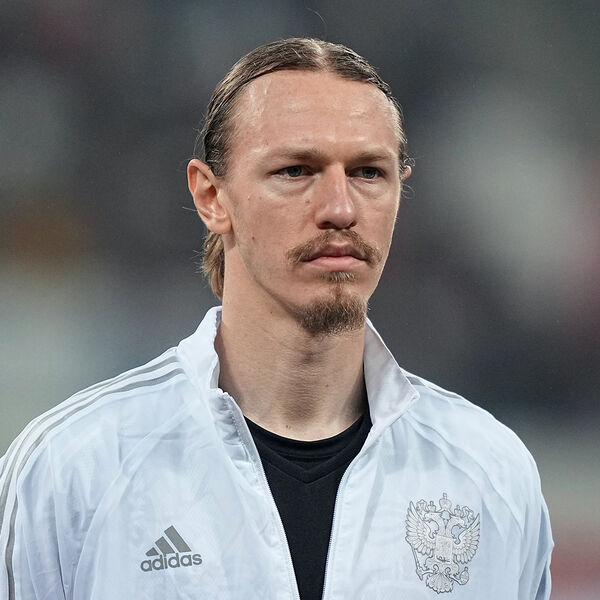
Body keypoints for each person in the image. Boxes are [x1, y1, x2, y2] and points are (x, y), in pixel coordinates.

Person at [0, 38, 552, 599]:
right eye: (295, 170)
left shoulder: (492, 473)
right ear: (211, 197)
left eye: (368, 172)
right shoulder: (72, 470)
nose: (340, 208)